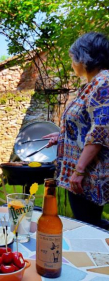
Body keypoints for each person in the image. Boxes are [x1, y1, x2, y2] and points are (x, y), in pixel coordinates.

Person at [43, 32, 109, 228]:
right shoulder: (93, 84)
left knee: (88, 226)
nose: (72, 62)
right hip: (83, 174)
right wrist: (63, 136)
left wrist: (79, 171)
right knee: (87, 223)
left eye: (73, 57)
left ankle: (93, 258)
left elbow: (102, 129)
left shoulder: (103, 82)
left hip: (89, 175)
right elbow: (87, 124)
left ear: (85, 56)